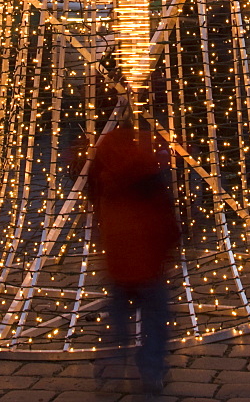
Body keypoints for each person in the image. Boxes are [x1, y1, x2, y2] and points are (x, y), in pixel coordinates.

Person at [87, 122, 180, 395]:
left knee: (117, 322)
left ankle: (108, 368)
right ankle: (151, 371)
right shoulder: (148, 177)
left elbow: (101, 219)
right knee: (155, 322)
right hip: (150, 268)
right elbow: (164, 223)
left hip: (118, 266)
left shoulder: (107, 180)